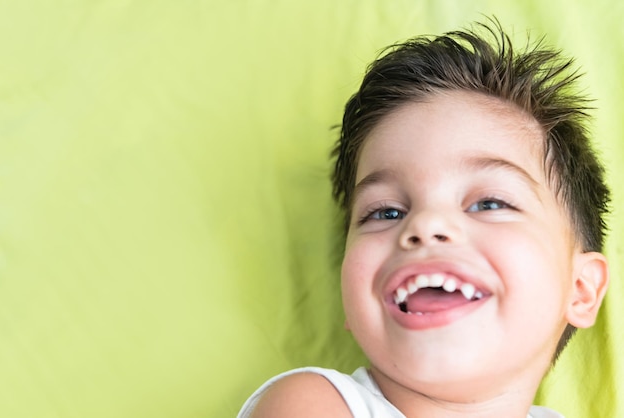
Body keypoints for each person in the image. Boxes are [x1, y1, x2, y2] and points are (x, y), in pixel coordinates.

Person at [238, 19, 610, 418]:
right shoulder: (316, 403)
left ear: (581, 289)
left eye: (488, 203)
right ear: (349, 296)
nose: (424, 225)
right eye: (387, 212)